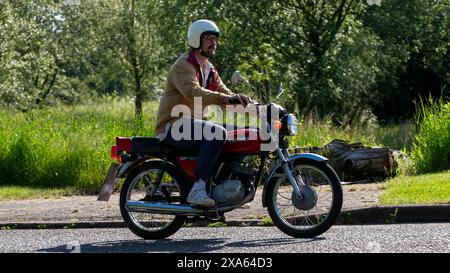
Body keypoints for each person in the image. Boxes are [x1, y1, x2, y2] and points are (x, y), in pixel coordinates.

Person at [155, 19, 251, 207]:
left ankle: (227, 188)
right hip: (174, 124)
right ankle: (198, 189)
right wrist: (226, 99)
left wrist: (252, 106)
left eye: (215, 39)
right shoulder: (184, 65)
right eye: (208, 38)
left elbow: (225, 94)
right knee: (216, 132)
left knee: (239, 134)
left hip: (194, 124)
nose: (213, 43)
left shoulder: (209, 69)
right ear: (195, 40)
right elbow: (193, 92)